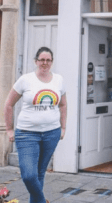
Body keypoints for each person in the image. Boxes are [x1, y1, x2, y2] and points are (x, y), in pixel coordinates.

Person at [4, 47, 67, 203]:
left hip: (51, 133)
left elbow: (63, 105)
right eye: (41, 60)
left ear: (51, 62)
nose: (44, 63)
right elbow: (8, 104)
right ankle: (41, 200)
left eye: (48, 60)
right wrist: (10, 129)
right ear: (36, 61)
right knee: (29, 175)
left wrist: (63, 127)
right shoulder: (26, 79)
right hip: (27, 134)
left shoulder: (58, 79)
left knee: (39, 173)